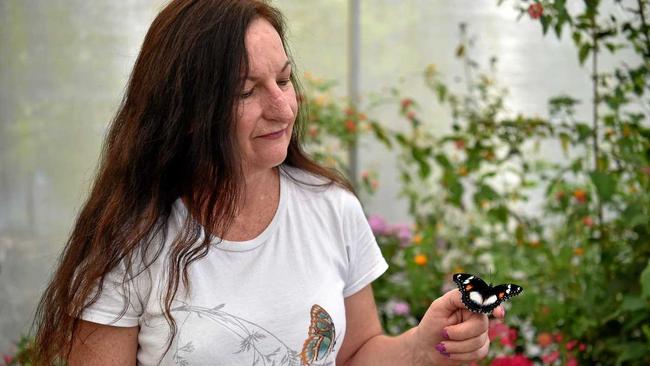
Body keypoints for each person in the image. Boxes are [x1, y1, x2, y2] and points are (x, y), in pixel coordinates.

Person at [33, 0, 505, 365]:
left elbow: (356, 354)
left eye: (283, 80)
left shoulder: (330, 207)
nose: (282, 108)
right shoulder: (129, 240)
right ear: (187, 111)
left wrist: (425, 344)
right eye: (246, 91)